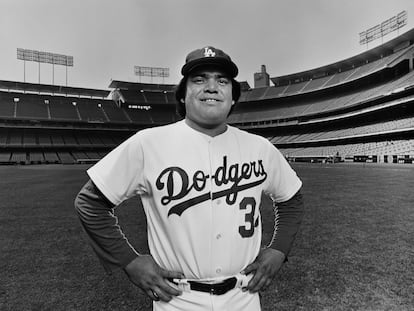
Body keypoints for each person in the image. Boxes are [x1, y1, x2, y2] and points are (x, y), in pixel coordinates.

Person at [75, 46, 304, 311]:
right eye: (199, 79)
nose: (211, 87)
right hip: (178, 300)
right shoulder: (148, 144)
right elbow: (90, 202)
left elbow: (291, 198)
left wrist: (280, 248)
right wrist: (130, 260)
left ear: (232, 97)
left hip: (244, 296)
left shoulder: (260, 148)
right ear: (183, 95)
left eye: (222, 80)